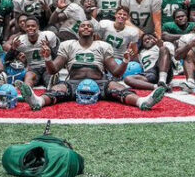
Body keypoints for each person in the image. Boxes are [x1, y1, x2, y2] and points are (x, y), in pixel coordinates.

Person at [17, 20, 165, 111]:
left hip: (100, 81)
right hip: (74, 82)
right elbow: (53, 69)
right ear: (78, 31)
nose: (86, 27)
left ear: (93, 32)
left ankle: (142, 102)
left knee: (117, 87)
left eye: (89, 26)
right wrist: (48, 58)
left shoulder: (103, 45)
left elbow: (117, 73)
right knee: (58, 88)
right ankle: (38, 101)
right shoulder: (68, 45)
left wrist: (126, 61)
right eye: (83, 26)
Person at [4, 15, 59, 88]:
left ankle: (51, 89)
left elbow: (56, 57)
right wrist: (13, 48)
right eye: (28, 26)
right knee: (29, 77)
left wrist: (49, 48)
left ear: (38, 27)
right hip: (33, 69)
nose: (30, 28)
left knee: (50, 79)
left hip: (48, 67)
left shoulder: (48, 36)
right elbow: (7, 60)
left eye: (33, 26)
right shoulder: (20, 40)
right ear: (25, 28)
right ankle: (27, 91)